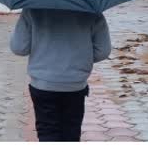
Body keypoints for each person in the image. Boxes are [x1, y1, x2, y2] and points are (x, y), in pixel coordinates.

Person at [10, 8, 112, 142]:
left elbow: (19, 48)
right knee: (71, 131)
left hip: (43, 85)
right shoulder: (92, 10)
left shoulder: (32, 9)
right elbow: (103, 51)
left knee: (47, 131)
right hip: (75, 85)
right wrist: (80, 57)